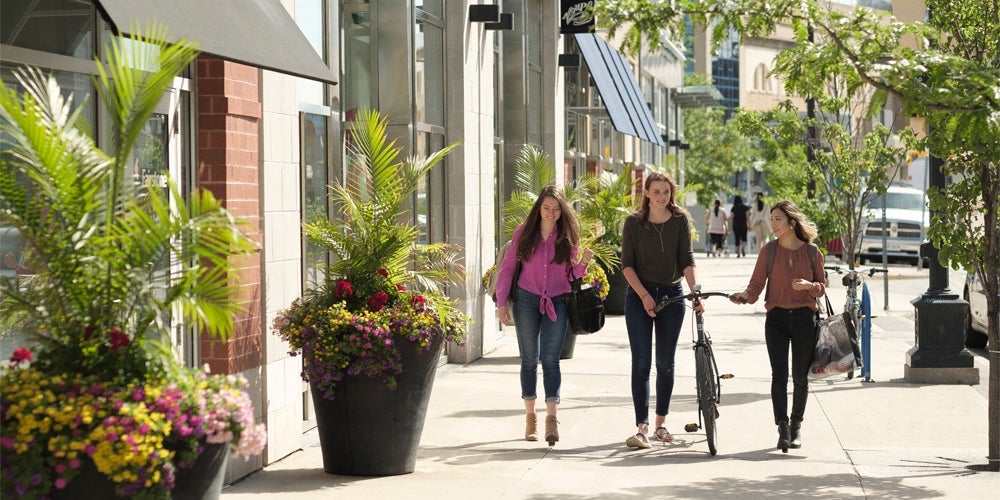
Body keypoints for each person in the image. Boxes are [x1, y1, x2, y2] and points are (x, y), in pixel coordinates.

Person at [495, 185, 593, 446]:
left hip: (558, 301)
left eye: (556, 209)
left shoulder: (567, 237)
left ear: (563, 211)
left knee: (551, 359)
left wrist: (583, 264)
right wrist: (502, 303)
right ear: (539, 208)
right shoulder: (523, 234)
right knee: (529, 359)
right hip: (526, 299)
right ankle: (531, 418)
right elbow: (507, 270)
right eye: (547, 208)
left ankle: (551, 419)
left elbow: (571, 276)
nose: (551, 213)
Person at [729, 200, 826, 452]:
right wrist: (745, 296)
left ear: (792, 223)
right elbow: (756, 284)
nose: (772, 224)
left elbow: (821, 288)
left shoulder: (812, 253)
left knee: (800, 377)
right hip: (777, 321)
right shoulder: (768, 251)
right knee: (779, 376)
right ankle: (782, 427)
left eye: (778, 219)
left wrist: (808, 286)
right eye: (771, 219)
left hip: (806, 319)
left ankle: (796, 426)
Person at [621, 172, 701, 449]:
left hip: (672, 295)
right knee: (641, 363)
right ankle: (641, 427)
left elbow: (687, 259)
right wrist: (643, 296)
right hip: (638, 296)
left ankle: (660, 424)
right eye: (656, 191)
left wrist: (695, 290)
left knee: (665, 363)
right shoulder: (633, 223)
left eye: (666, 192)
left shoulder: (680, 220)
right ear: (646, 193)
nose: (661, 197)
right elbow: (627, 265)